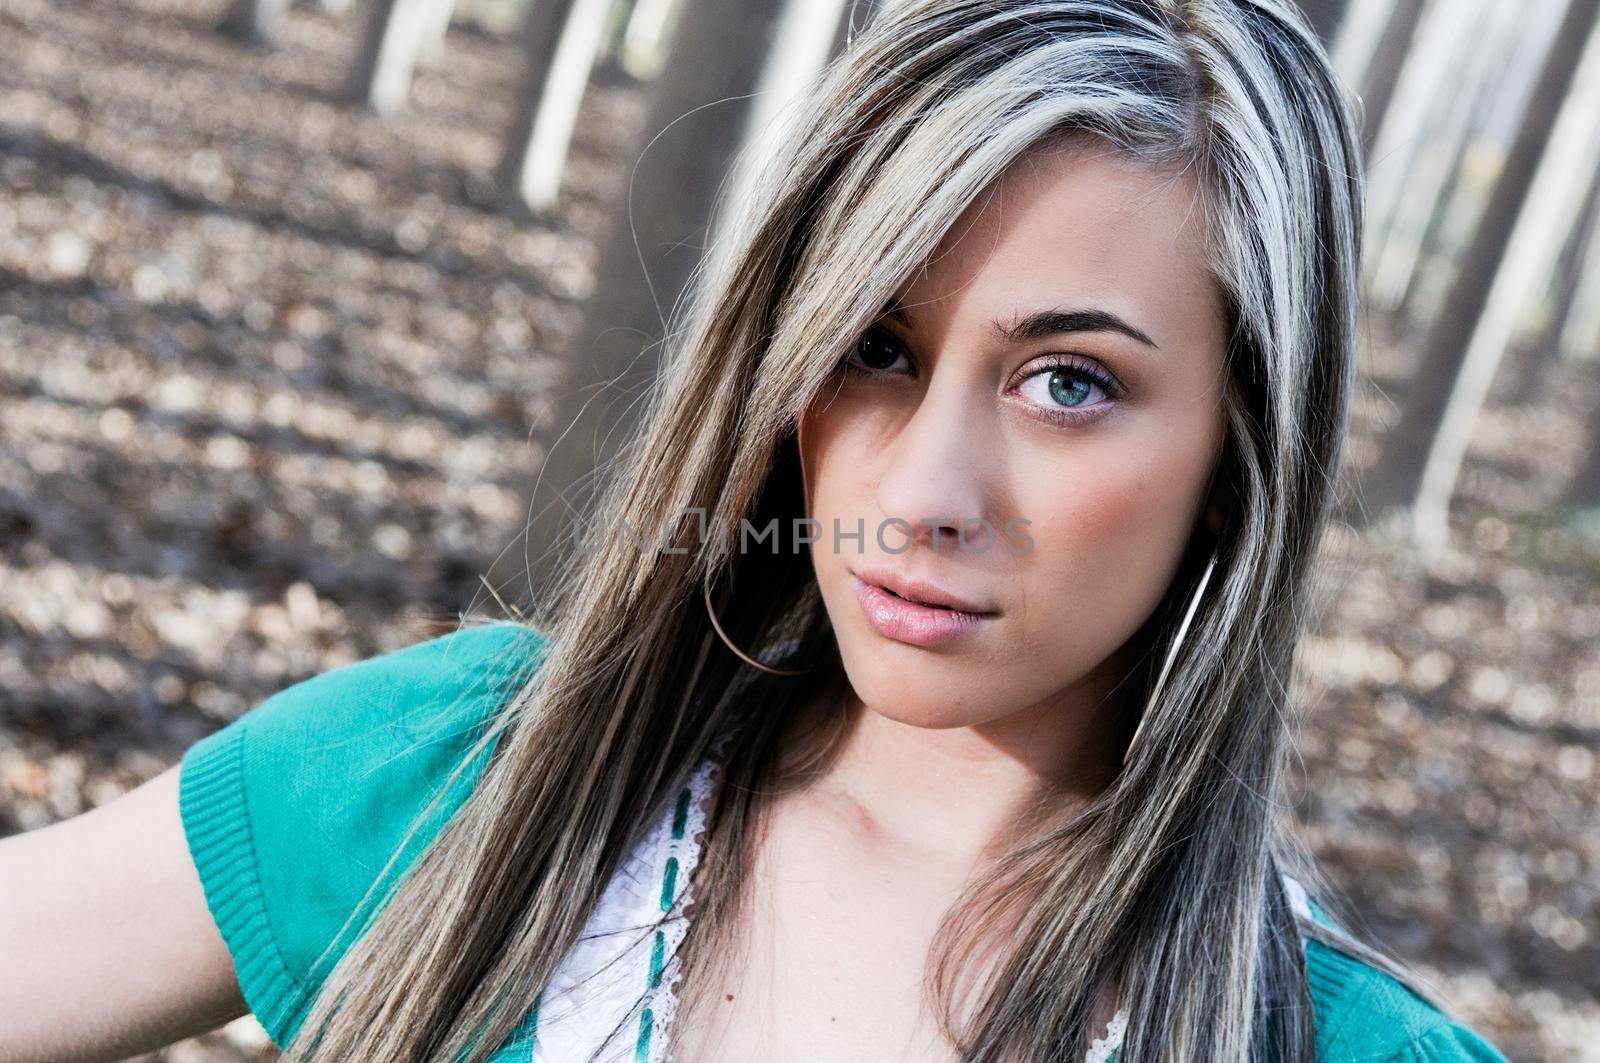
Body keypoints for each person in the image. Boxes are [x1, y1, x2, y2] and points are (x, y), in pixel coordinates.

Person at [0, 1, 1514, 1060]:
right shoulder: (467, 785)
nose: (925, 491)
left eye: (1069, 383)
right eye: (874, 347)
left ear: (1238, 455)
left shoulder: (1356, 1051)